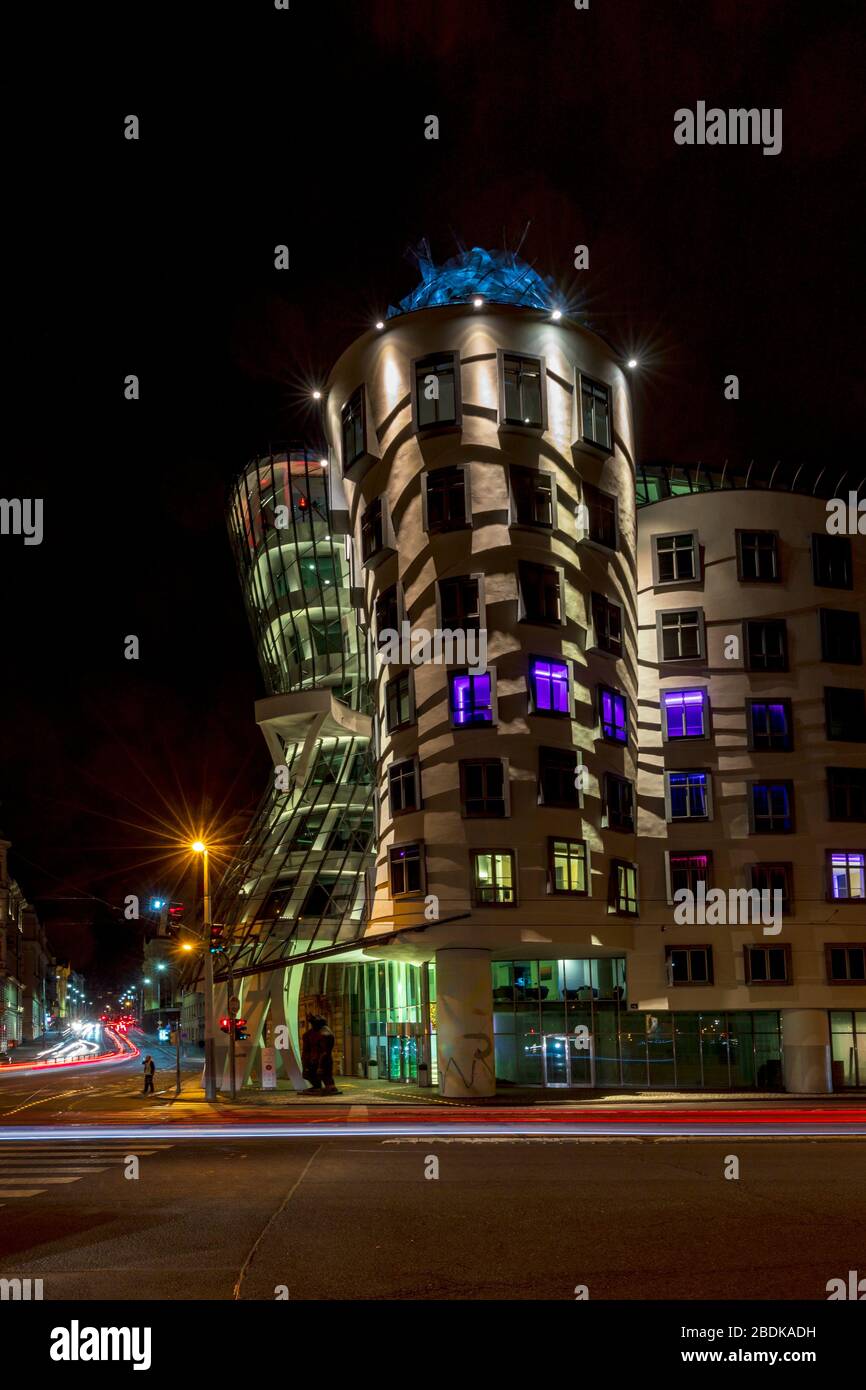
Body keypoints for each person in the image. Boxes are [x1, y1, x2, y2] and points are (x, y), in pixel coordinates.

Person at [301, 1014, 341, 1095]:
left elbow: (325, 1052)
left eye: (314, 1023)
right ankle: (317, 1086)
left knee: (325, 1075)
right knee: (308, 1074)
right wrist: (305, 1063)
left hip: (323, 1059)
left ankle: (330, 1087)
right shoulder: (308, 1035)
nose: (312, 1025)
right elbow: (305, 1050)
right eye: (312, 1023)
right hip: (312, 1059)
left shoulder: (326, 1034)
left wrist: (320, 1066)